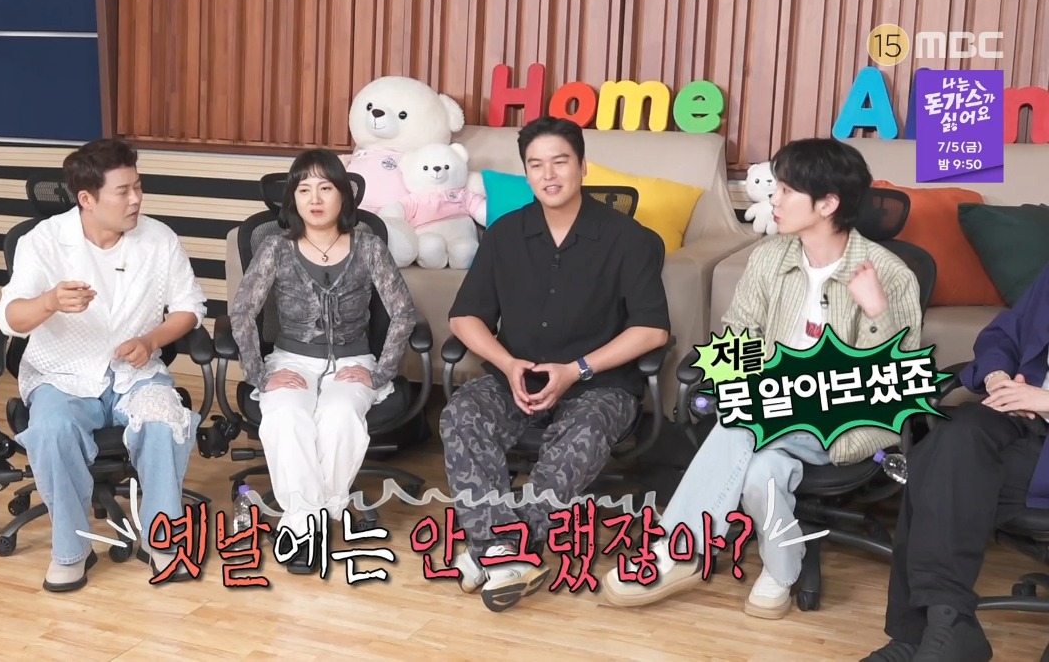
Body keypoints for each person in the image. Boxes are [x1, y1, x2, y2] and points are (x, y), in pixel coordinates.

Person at [602, 138, 924, 619]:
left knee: (743, 420)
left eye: (787, 190)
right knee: (761, 473)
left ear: (827, 204)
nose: (774, 198)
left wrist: (876, 312)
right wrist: (739, 380)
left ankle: (678, 550)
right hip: (774, 405)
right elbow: (738, 333)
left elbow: (893, 385)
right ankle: (782, 568)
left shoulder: (890, 275)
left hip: (845, 416)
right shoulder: (770, 258)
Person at [440, 116, 672, 612]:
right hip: (516, 379)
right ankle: (500, 549)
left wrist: (575, 370)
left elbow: (653, 330)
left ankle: (499, 549)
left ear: (583, 167)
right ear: (526, 173)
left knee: (584, 429)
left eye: (560, 162)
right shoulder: (505, 234)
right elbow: (464, 317)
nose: (549, 175)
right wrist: (506, 363)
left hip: (598, 385)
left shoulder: (629, 239)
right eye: (536, 165)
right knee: (462, 412)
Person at [0, 138, 207, 592]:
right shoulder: (43, 242)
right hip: (62, 375)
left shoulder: (159, 239)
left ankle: (162, 542)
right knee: (52, 430)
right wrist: (50, 302)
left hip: (136, 375)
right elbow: (10, 318)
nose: (135, 199)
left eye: (138, 187)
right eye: (123, 191)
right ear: (87, 198)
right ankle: (71, 552)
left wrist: (151, 340)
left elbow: (190, 307)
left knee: (163, 420)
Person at [230, 148, 417, 574]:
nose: (314, 199)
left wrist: (380, 372)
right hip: (290, 362)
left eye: (325, 188)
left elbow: (403, 313)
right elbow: (241, 313)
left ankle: (301, 525)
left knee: (339, 415)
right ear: (292, 199)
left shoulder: (368, 246)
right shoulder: (276, 247)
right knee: (285, 418)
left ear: (343, 196)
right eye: (304, 190)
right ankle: (311, 522)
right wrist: (259, 374)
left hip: (355, 361)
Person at [864, 264, 1049, 662]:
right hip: (1024, 418)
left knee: (943, 471)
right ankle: (939, 626)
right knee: (947, 441)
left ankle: (934, 631)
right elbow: (1003, 334)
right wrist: (998, 376)